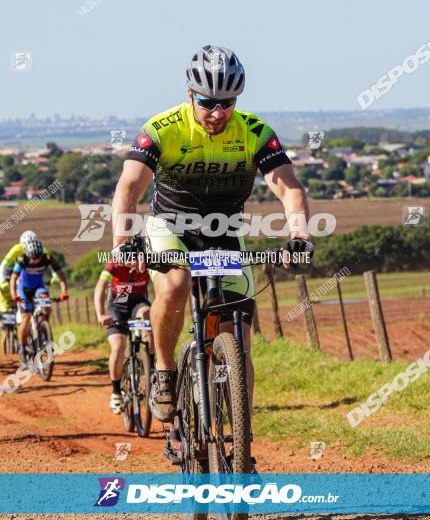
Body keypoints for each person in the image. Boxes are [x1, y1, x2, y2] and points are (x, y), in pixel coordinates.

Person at [110, 45, 314, 427]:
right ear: (190, 94)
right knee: (175, 284)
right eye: (207, 103)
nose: (218, 113)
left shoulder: (254, 132)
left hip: (224, 233)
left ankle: (241, 440)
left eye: (228, 102)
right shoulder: (162, 129)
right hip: (169, 228)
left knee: (238, 336)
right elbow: (128, 188)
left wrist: (299, 236)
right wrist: (123, 243)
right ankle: (166, 373)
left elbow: (288, 187)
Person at [94, 258, 151, 414]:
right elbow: (100, 287)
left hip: (139, 303)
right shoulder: (114, 264)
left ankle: (150, 369)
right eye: (130, 259)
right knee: (118, 347)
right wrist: (100, 314)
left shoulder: (147, 262)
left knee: (147, 317)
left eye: (136, 258)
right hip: (118, 305)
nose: (134, 262)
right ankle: (116, 392)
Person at [9, 237, 68, 362]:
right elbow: (13, 278)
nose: (35, 260)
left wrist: (64, 291)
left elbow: (61, 275)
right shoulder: (22, 259)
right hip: (24, 290)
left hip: (39, 287)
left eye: (38, 257)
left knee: (45, 299)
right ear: (28, 255)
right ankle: (22, 347)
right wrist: (14, 294)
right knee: (26, 317)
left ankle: (44, 327)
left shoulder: (47, 258)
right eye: (33, 258)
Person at [0, 279, 17, 354]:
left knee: (4, 333)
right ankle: (5, 354)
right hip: (9, 309)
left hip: (6, 310)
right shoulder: (15, 280)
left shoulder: (0, 282)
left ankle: (4, 354)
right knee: (6, 333)